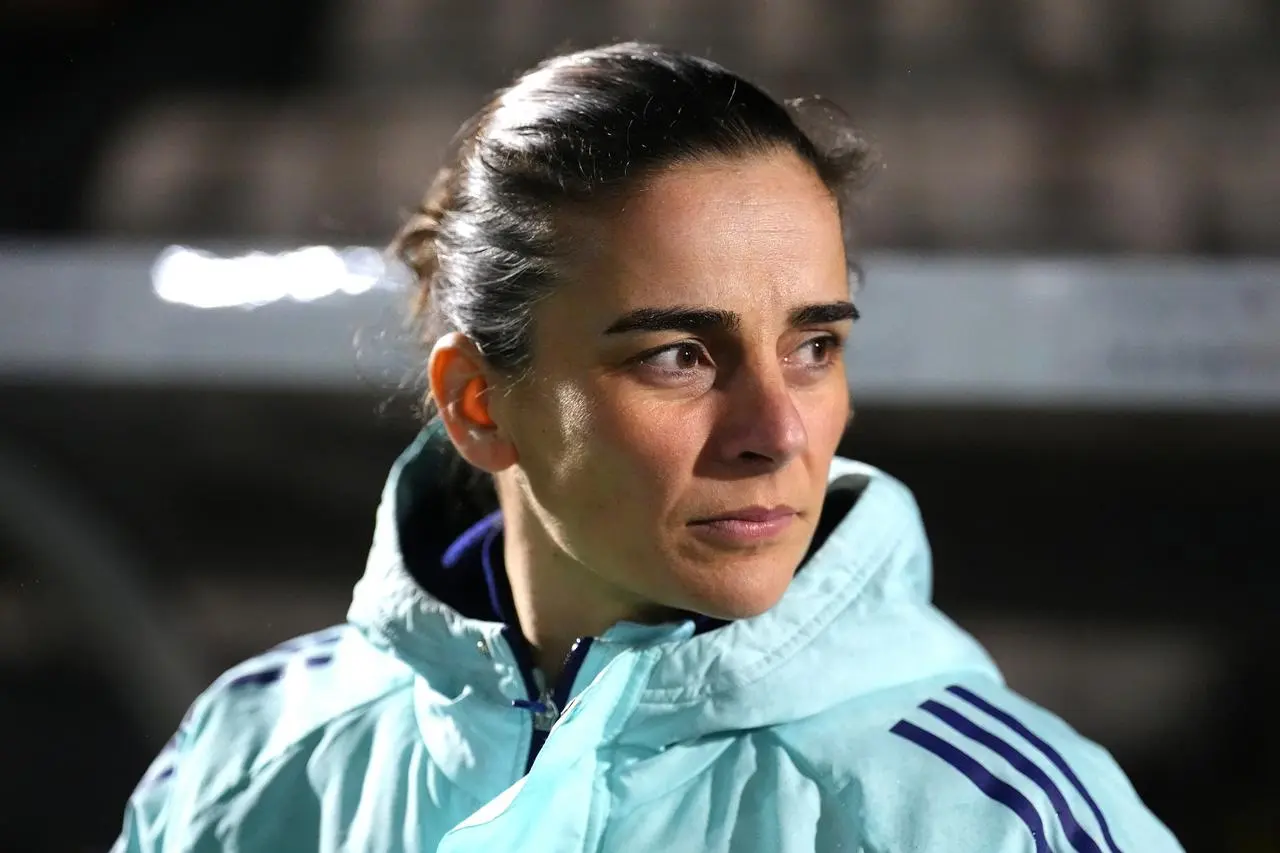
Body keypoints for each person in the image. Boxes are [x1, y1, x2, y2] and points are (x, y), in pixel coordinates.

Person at [111, 42, 1183, 853]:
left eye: (812, 345)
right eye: (677, 354)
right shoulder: (254, 755)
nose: (775, 432)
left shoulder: (984, 814)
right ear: (479, 403)